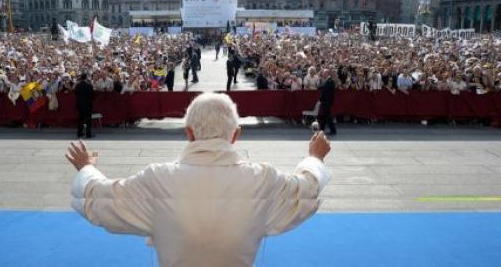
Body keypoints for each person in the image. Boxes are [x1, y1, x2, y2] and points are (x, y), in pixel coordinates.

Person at [67, 93, 331, 267]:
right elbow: (306, 191)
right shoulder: (263, 179)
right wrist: (315, 158)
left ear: (189, 133)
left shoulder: (157, 179)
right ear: (236, 135)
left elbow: (97, 198)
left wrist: (86, 168)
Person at [75, 73, 94, 139]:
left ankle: (79, 133)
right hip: (87, 104)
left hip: (79, 104)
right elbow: (92, 95)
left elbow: (76, 94)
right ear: (86, 78)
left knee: (80, 119)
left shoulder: (77, 85)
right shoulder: (89, 85)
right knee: (88, 120)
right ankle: (88, 134)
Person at [319, 69, 337, 135]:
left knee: (328, 117)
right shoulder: (325, 81)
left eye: (323, 73)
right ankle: (321, 129)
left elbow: (325, 90)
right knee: (324, 116)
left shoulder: (330, 81)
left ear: (327, 74)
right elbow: (319, 87)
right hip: (324, 101)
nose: (322, 74)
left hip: (327, 102)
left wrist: (322, 83)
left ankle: (333, 130)